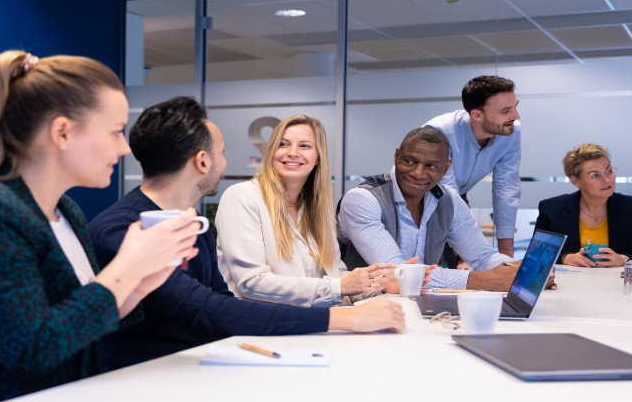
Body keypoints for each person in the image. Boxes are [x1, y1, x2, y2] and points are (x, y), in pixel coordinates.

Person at [0, 51, 203, 402]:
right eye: (117, 131)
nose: (124, 148)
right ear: (62, 132)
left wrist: (142, 280)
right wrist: (127, 269)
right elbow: (31, 349)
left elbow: (72, 325)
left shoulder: (65, 212)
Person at [88, 98, 406, 369]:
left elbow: (218, 303)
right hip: (144, 378)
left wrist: (367, 292)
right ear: (202, 161)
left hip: (194, 363)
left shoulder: (188, 221)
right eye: (223, 152)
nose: (225, 163)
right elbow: (208, 309)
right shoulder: (124, 229)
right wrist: (345, 319)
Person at [216, 115, 415, 308]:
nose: (292, 152)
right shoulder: (241, 197)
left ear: (318, 157)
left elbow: (334, 275)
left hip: (308, 325)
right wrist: (340, 286)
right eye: (283, 144)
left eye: (305, 146)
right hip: (257, 328)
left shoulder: (318, 208)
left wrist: (379, 283)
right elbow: (251, 282)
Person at [337, 126, 531, 292]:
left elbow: (482, 256)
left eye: (431, 166)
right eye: (409, 161)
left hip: (424, 305)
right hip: (365, 307)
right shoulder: (362, 199)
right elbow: (396, 273)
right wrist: (485, 280)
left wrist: (521, 271)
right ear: (396, 156)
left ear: (446, 167)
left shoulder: (449, 200)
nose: (417, 173)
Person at [424, 75, 521, 259]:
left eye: (516, 107)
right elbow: (447, 195)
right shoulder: (439, 132)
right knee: (432, 268)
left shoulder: (511, 131)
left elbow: (506, 188)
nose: (516, 116)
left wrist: (506, 256)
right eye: (506, 111)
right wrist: (465, 257)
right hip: (420, 199)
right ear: (476, 115)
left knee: (472, 266)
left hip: (456, 195)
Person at [535, 143, 632, 267]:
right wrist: (565, 257)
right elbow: (537, 253)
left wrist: (624, 260)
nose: (607, 180)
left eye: (609, 171)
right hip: (571, 284)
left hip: (617, 284)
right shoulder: (552, 209)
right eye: (595, 175)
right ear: (575, 181)